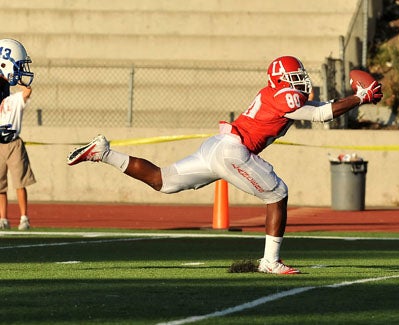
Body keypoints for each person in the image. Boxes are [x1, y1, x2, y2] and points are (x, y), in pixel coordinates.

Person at [67, 56, 382, 274]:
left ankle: (104, 153)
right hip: (234, 150)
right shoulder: (281, 96)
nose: (300, 82)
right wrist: (361, 98)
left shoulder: (278, 95)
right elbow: (319, 115)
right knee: (278, 194)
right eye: (294, 77)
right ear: (282, 80)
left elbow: (322, 107)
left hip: (217, 146)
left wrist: (354, 96)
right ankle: (270, 261)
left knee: (163, 181)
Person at [0, 38, 36, 230]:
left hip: (10, 141)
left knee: (18, 181)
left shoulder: (5, 88)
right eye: (18, 65)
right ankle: (4, 218)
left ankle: (22, 217)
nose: (21, 70)